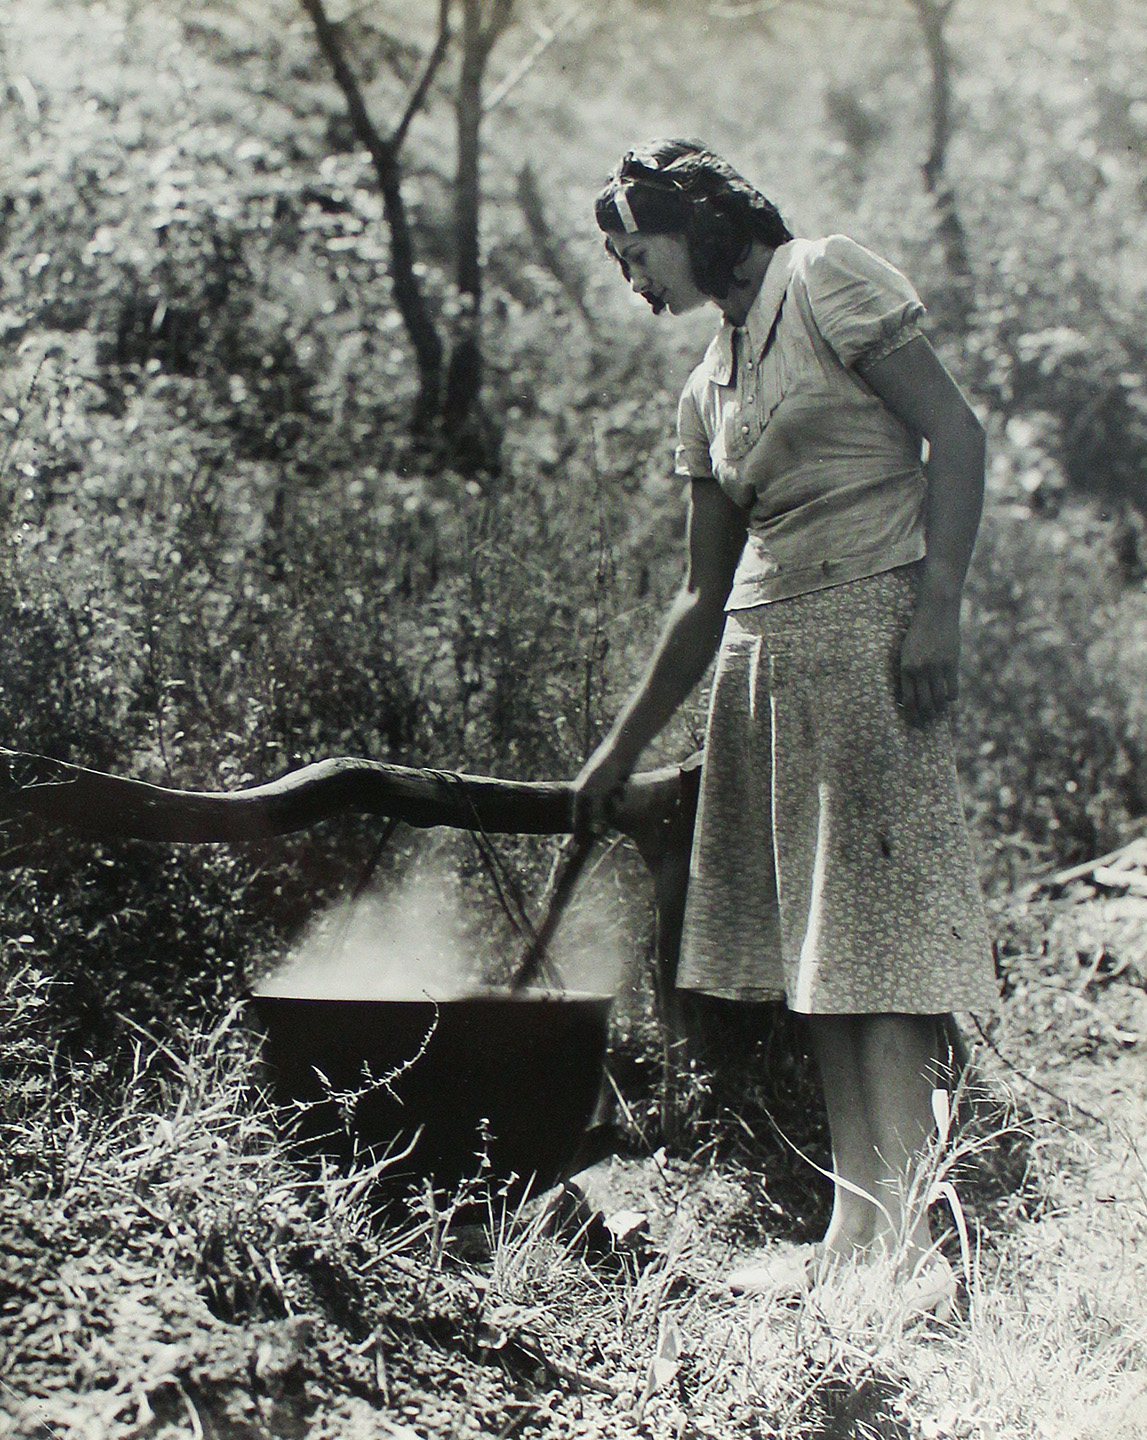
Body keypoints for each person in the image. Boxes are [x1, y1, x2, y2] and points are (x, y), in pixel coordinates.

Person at [574, 140, 998, 1311]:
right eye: (616, 264)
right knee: (822, 958)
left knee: (881, 955)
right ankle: (852, 1242)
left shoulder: (828, 277)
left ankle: (910, 1249)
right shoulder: (704, 380)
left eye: (636, 250)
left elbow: (953, 439)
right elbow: (700, 596)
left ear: (698, 220)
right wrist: (615, 751)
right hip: (761, 671)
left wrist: (940, 605)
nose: (634, 279)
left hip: (871, 637)